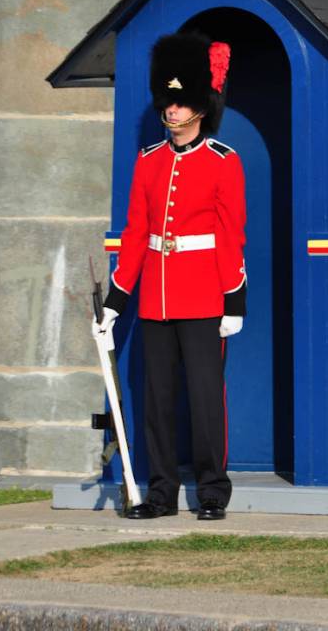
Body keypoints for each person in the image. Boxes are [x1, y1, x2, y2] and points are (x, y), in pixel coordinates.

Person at [92, 32, 247, 521]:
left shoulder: (224, 161)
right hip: (155, 298)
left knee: (204, 402)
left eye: (182, 103)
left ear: (200, 107)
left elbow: (230, 235)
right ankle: (160, 494)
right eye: (170, 102)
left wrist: (233, 300)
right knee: (155, 403)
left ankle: (211, 493)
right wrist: (117, 301)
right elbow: (137, 234)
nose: (173, 111)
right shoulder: (149, 162)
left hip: (204, 297)